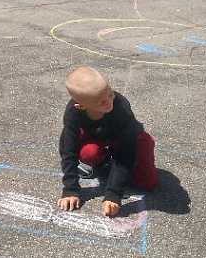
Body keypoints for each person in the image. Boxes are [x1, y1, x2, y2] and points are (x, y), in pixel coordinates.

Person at [57, 66, 160, 216]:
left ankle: (116, 165)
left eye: (110, 94)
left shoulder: (121, 109)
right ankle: (104, 161)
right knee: (89, 153)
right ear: (82, 106)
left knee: (149, 183)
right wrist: (70, 189)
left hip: (126, 138)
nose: (108, 103)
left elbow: (126, 154)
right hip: (98, 136)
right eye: (100, 102)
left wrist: (114, 193)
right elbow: (68, 150)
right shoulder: (74, 113)